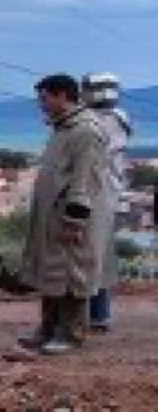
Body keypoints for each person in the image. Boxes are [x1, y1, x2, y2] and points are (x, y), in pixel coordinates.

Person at [19, 74, 109, 355]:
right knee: (52, 273)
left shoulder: (86, 131)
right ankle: (47, 329)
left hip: (70, 220)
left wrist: (74, 221)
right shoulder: (63, 128)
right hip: (52, 218)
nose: (41, 104)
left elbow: (84, 181)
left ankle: (71, 333)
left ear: (62, 96)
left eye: (44, 98)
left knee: (72, 275)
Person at [80, 72, 133, 332]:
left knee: (91, 257)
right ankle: (98, 314)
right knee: (97, 257)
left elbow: (95, 159)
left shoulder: (105, 121)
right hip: (105, 195)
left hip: (97, 195)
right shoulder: (117, 119)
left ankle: (96, 314)